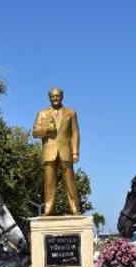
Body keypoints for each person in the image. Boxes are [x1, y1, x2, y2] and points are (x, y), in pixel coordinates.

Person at [32, 87, 81, 216]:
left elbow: (75, 133)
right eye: (53, 96)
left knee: (70, 181)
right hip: (49, 152)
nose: (55, 98)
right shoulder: (42, 113)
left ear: (62, 96)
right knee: (49, 182)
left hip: (66, 151)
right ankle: (49, 208)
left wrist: (75, 152)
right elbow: (35, 133)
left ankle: (75, 208)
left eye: (57, 96)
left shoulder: (71, 112)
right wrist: (47, 129)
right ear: (49, 97)